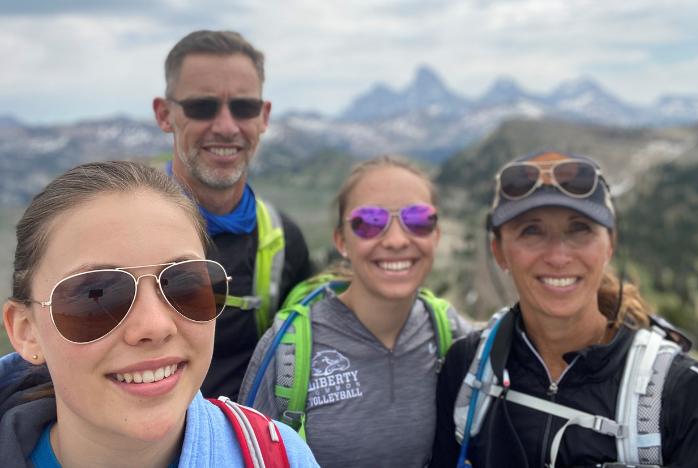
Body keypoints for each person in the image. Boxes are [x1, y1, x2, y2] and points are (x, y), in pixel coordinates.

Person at [0, 161, 319, 468]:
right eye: (95, 295)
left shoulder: (277, 456)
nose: (155, 325)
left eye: (185, 285)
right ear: (27, 331)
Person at [430, 151, 698, 468]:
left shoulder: (680, 394)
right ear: (500, 253)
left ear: (609, 245)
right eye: (531, 230)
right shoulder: (465, 367)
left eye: (579, 228)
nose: (558, 257)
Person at [240, 156, 475, 468]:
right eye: (369, 222)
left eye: (418, 220)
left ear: (436, 236)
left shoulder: (452, 333)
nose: (395, 240)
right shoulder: (288, 350)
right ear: (342, 241)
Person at [153, 30, 312, 400]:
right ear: (165, 114)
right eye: (202, 107)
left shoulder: (284, 240)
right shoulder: (119, 231)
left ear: (264, 116)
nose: (226, 126)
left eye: (243, 107)